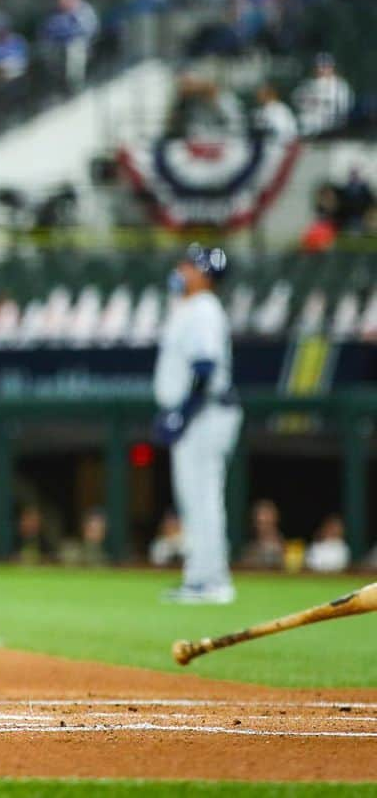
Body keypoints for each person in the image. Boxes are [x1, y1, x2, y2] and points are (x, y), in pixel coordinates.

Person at [153, 243, 241, 603]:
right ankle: (201, 576)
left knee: (203, 498)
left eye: (189, 265)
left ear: (204, 274)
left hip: (206, 413)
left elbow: (204, 368)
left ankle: (212, 580)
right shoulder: (189, 307)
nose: (181, 269)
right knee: (195, 499)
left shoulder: (203, 309)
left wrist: (182, 413)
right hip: (200, 413)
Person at [293, 53, 354, 136]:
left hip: (333, 126)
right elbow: (297, 101)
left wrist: (320, 102)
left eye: (325, 66)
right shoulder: (307, 84)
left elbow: (344, 108)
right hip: (308, 125)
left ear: (332, 68)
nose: (321, 69)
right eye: (319, 66)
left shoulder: (340, 86)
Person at [239, 498, 285, 570]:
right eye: (260, 523)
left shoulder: (285, 547)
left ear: (275, 520)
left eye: (267, 523)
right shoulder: (250, 550)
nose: (263, 527)